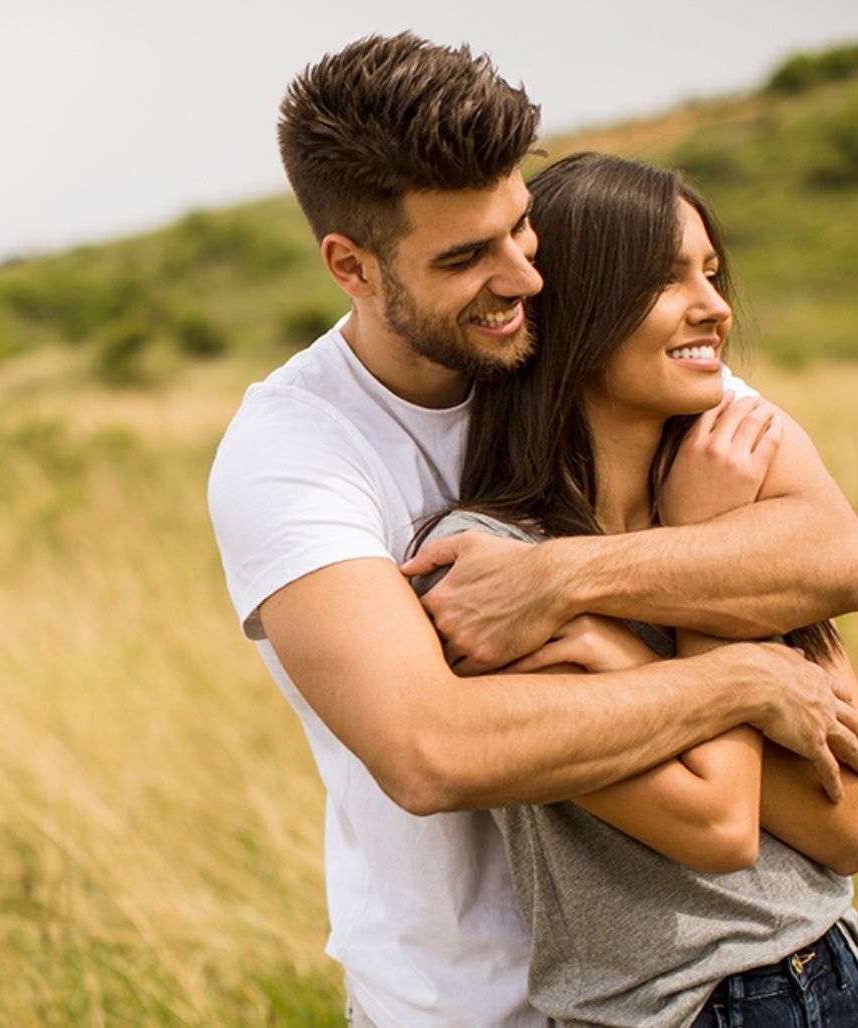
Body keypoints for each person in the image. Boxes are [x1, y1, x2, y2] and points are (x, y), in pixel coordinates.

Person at [206, 32, 858, 1028]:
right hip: (464, 999)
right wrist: (742, 678)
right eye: (466, 256)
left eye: (521, 228)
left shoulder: (594, 349)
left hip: (726, 966)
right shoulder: (295, 450)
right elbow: (429, 748)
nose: (523, 277)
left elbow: (832, 553)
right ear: (352, 265)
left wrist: (565, 579)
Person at [412, 151, 858, 1027]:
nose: (714, 306)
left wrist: (633, 651)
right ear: (577, 308)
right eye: (665, 279)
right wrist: (736, 647)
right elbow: (719, 824)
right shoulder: (490, 568)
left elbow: (847, 829)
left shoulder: (730, 491)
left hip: (833, 961)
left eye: (712, 273)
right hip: (686, 1006)